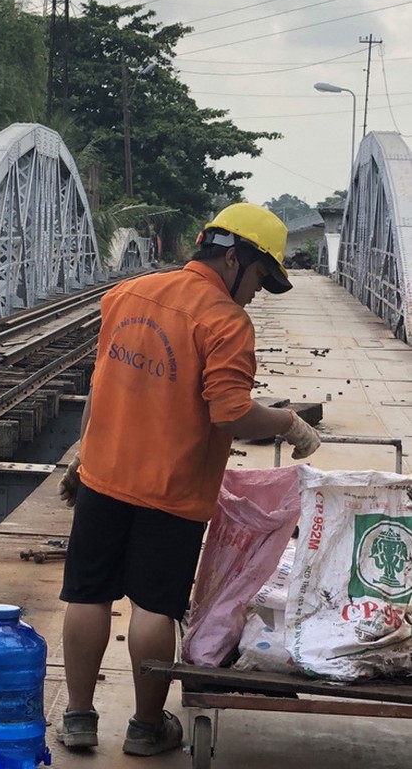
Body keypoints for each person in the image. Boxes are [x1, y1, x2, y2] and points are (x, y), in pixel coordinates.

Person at [55, 203, 322, 757]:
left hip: (103, 475)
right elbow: (232, 416)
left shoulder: (126, 295)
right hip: (172, 491)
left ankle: (78, 719)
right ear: (232, 257)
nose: (254, 294)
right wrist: (287, 422)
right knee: (153, 606)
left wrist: (82, 459)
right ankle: (146, 728)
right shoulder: (225, 323)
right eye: (257, 279)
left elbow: (101, 387)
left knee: (87, 594)